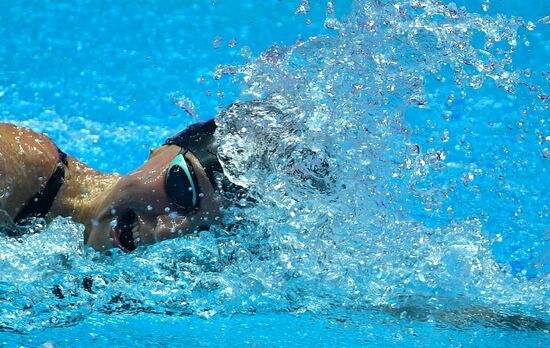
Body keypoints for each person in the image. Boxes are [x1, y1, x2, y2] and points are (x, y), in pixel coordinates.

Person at [0, 118, 233, 252]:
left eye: (201, 231)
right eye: (181, 188)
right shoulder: (23, 167)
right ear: (159, 151)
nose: (166, 229)